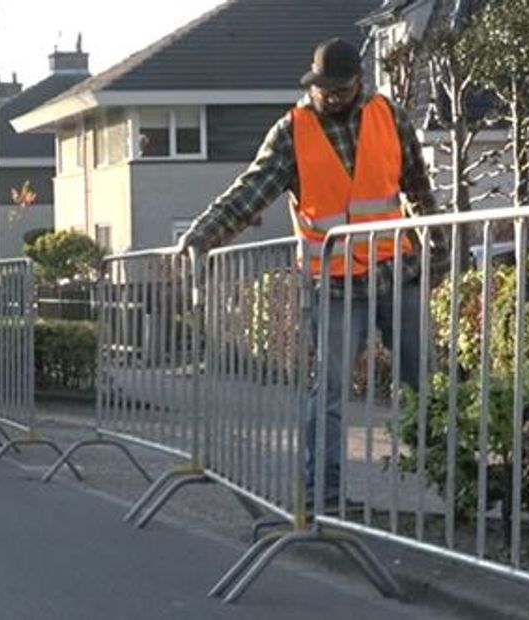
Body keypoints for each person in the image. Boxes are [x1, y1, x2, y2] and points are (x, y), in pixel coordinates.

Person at [176, 38, 439, 508]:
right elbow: (249, 192)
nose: (332, 98)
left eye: (340, 90)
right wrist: (201, 236)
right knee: (330, 394)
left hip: (396, 273)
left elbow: (418, 185)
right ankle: (327, 497)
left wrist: (437, 245)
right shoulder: (291, 132)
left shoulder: (388, 116)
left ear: (359, 82)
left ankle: (457, 480)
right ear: (312, 84)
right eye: (324, 91)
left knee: (426, 384)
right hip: (334, 284)